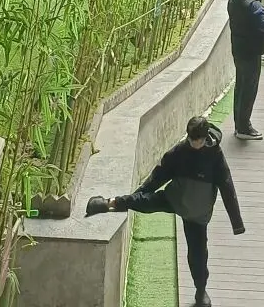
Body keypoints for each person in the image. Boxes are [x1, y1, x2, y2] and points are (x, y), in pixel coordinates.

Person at [86, 115, 244, 307]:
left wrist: (237, 223)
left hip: (197, 213)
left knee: (198, 255)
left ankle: (201, 291)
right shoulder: (180, 151)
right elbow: (158, 176)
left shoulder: (215, 156)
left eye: (198, 141)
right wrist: (138, 195)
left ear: (204, 138)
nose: (194, 144)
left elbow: (227, 187)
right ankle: (108, 204)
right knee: (144, 201)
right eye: (191, 140)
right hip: (174, 198)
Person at [227, 0, 264, 141]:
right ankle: (244, 127)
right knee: (249, 88)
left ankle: (238, 125)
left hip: (238, 49)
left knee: (240, 86)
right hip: (251, 51)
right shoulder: (253, 4)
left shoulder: (232, 0)